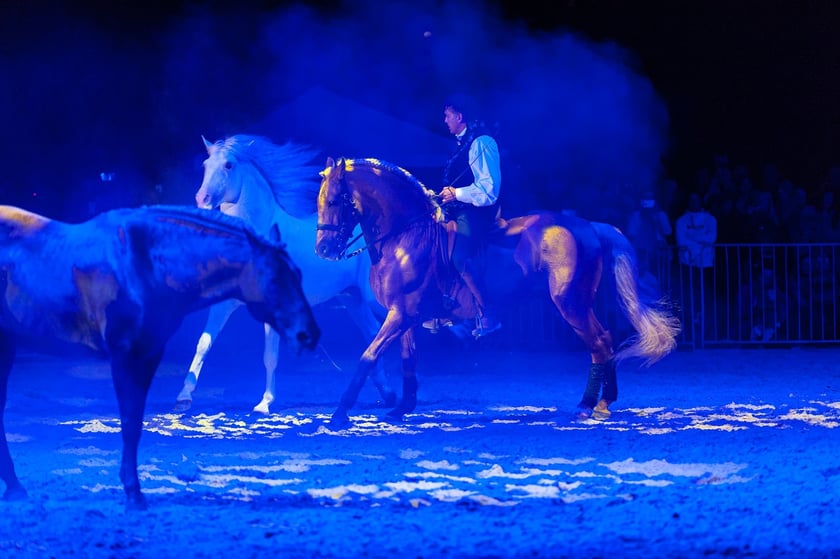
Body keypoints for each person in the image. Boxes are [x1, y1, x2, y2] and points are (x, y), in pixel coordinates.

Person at [423, 95, 502, 338]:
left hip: (477, 212)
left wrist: (456, 193)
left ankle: (489, 313)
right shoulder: (461, 143)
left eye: (447, 115)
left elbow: (489, 190)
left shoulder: (482, 142)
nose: (444, 120)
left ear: (459, 116)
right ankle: (447, 307)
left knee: (459, 257)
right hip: (458, 210)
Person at [675, 192, 717, 345]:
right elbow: (681, 241)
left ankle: (707, 335)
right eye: (691, 199)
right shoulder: (681, 221)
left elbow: (711, 239)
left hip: (706, 264)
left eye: (696, 199)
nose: (694, 202)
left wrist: (692, 237)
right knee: (688, 299)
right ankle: (688, 335)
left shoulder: (711, 219)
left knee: (705, 299)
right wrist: (699, 242)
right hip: (687, 263)